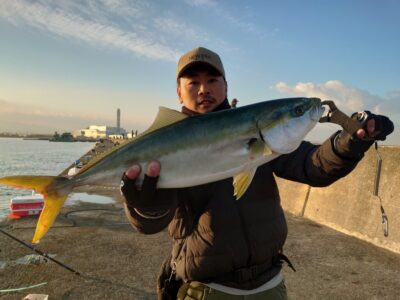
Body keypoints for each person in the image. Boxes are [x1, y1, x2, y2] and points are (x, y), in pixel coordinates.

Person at [120, 47, 394, 299]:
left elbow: (313, 165)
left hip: (269, 284)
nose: (204, 89)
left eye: (213, 80)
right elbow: (149, 224)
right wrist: (144, 205)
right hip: (205, 289)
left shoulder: (261, 134)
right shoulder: (162, 143)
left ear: (226, 86)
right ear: (179, 92)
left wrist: (350, 141)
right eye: (193, 82)